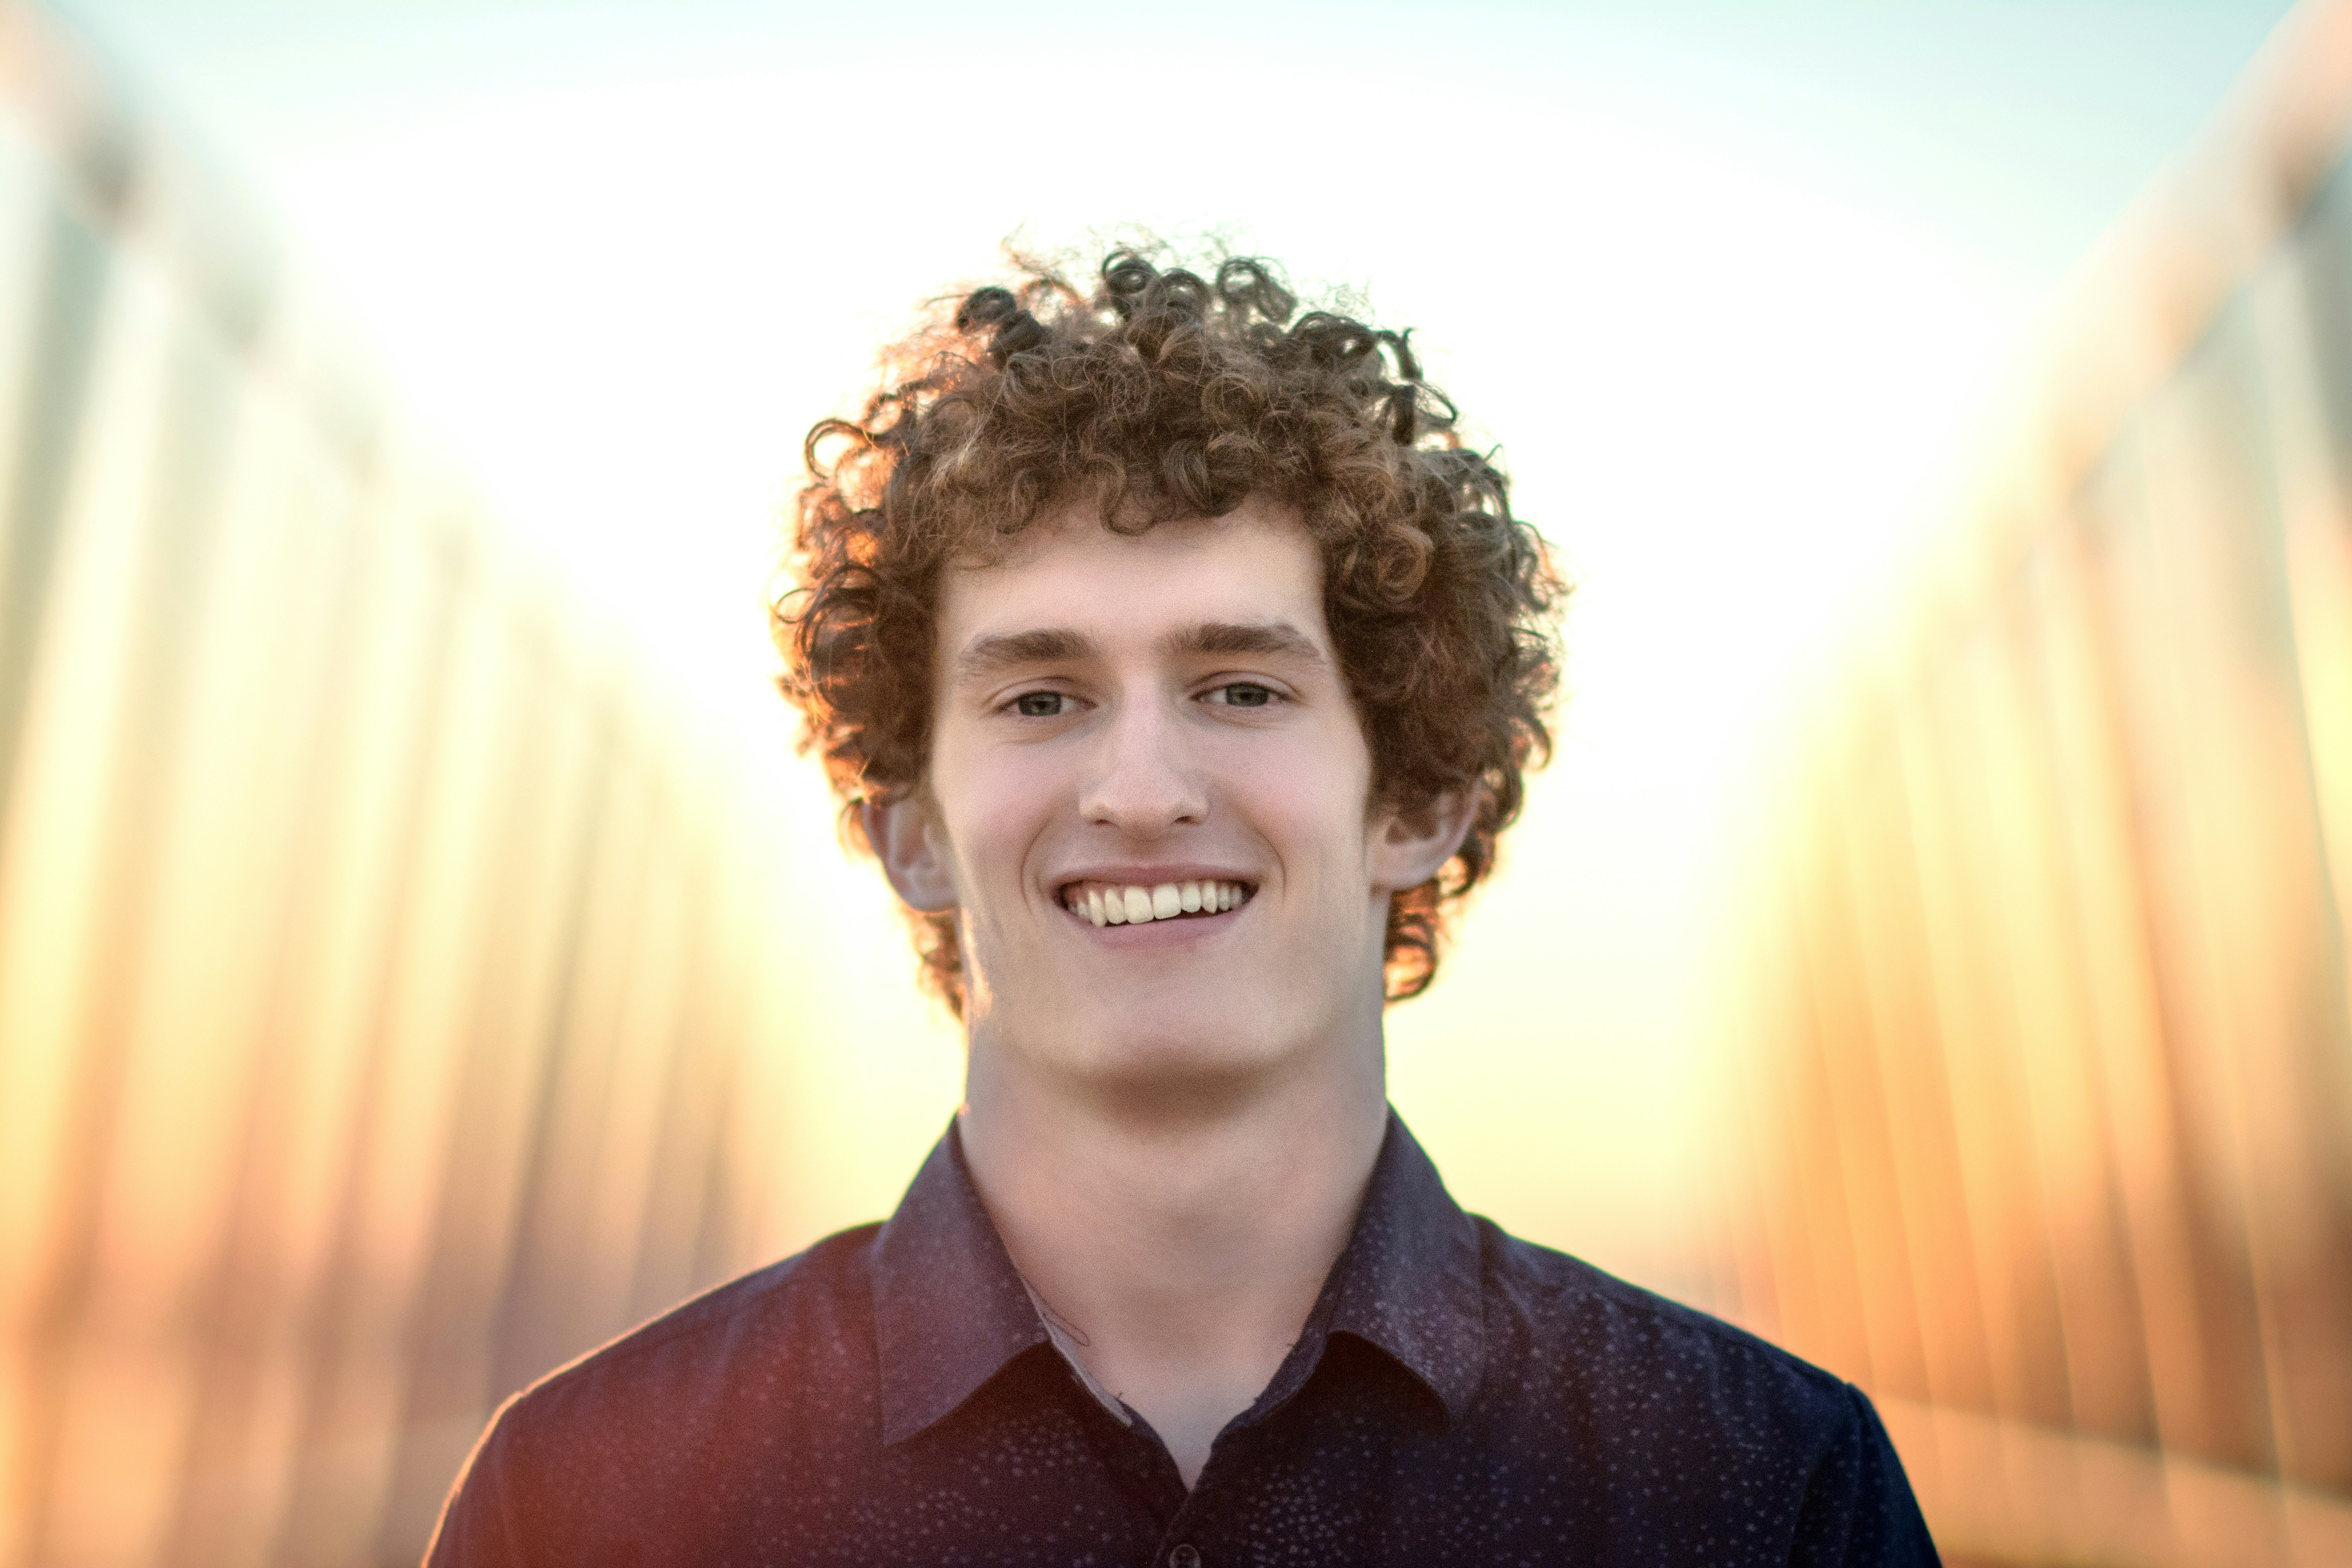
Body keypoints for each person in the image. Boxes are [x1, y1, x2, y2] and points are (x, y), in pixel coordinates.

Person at [425, 248, 1939, 1565]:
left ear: (1415, 801)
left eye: (1239, 686)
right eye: (1039, 696)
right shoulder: (588, 1504)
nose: (1139, 787)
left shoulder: (1765, 1491)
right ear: (911, 834)